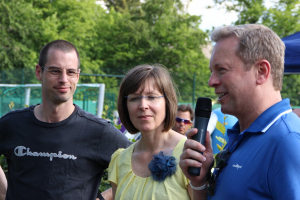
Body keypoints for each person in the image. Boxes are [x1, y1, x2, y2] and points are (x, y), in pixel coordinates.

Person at [179, 24, 300, 200]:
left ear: (261, 72)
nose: (211, 81)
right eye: (212, 71)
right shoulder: (242, 134)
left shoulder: (288, 142)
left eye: (222, 70)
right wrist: (200, 182)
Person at [0, 40, 131, 199]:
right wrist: (4, 191)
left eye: (70, 72)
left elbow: (139, 167)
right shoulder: (13, 124)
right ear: (38, 72)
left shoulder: (98, 132)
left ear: (78, 75)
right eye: (55, 71)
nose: (63, 79)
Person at [108, 64, 192, 199]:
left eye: (152, 97)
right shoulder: (120, 160)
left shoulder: (189, 154)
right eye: (134, 98)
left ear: (167, 101)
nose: (143, 105)